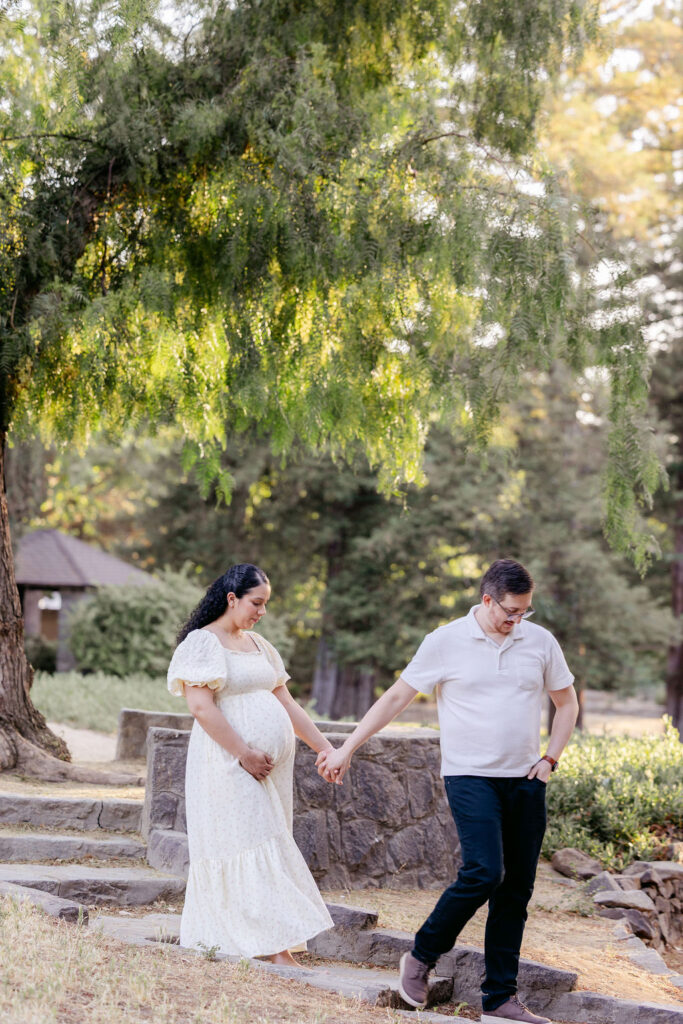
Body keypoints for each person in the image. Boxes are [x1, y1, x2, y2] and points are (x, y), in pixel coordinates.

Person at [317, 558, 579, 1024]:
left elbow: (567, 702)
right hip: (470, 776)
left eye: (525, 611)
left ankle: (499, 998)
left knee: (516, 891)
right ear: (487, 600)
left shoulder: (540, 641)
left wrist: (550, 759)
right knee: (484, 872)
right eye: (511, 611)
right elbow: (396, 697)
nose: (518, 620)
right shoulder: (445, 641)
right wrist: (348, 748)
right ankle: (421, 956)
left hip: (526, 780)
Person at [167, 563, 333, 965]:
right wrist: (244, 753)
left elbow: (286, 702)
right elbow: (200, 707)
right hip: (227, 762)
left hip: (267, 768)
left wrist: (325, 748)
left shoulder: (259, 645)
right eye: (256, 603)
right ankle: (276, 951)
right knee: (251, 842)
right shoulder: (203, 643)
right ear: (232, 598)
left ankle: (263, 942)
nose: (262, 611)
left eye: (265, 604)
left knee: (267, 842)